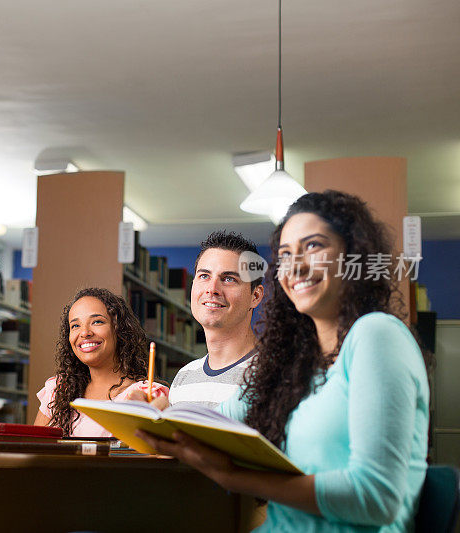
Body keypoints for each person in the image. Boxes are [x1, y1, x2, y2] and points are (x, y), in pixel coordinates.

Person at [138, 191, 431, 531]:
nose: (298, 265)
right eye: (287, 254)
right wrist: (151, 410)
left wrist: (236, 477)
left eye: (314, 246)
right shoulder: (293, 364)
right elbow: (214, 423)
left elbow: (375, 498)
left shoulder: (376, 335)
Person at [34, 287, 168, 437]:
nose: (85, 333)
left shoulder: (147, 394)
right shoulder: (58, 390)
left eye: (97, 322)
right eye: (75, 325)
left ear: (119, 330)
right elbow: (34, 448)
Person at [165, 231, 264, 408]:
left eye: (228, 279)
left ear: (255, 296)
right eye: (204, 276)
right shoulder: (183, 378)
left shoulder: (274, 373)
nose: (212, 289)